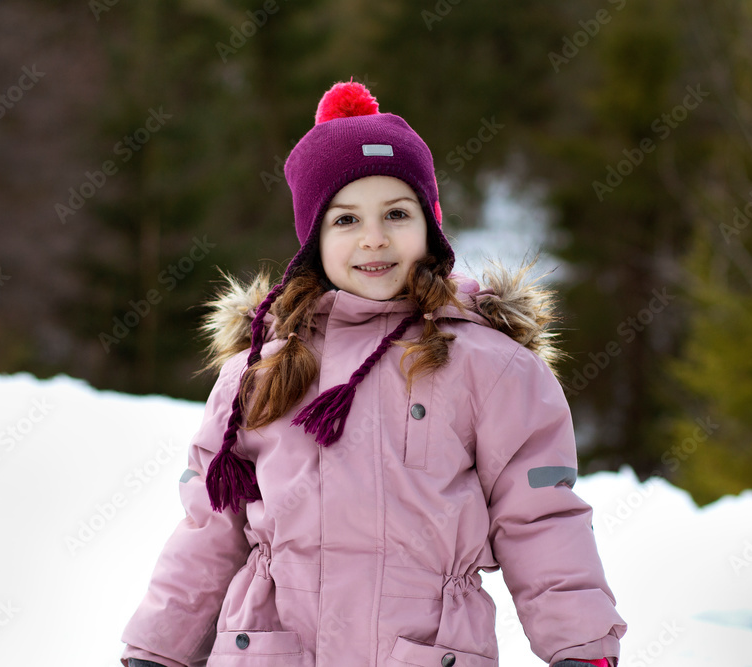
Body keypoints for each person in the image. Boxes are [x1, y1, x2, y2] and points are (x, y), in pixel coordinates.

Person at [120, 80, 626, 667]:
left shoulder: (490, 367)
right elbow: (209, 530)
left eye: (396, 213)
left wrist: (580, 647)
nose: (374, 238)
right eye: (345, 220)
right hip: (270, 650)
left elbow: (539, 517)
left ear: (430, 225)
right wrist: (159, 649)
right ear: (312, 240)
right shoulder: (260, 372)